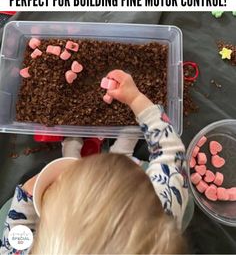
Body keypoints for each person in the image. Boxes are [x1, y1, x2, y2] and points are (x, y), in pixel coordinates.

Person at [0, 70, 189, 254]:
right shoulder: (162, 212)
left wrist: (30, 192)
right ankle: (123, 153)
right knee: (182, 200)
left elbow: (17, 228)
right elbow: (170, 154)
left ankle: (72, 152)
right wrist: (136, 99)